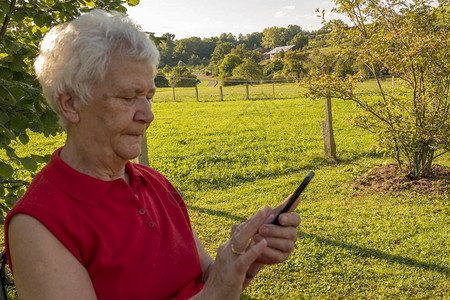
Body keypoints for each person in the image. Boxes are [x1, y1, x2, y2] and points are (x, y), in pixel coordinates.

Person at [4, 9, 301, 300]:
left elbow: (205, 279)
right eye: (128, 97)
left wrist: (246, 259)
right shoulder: (38, 225)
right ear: (70, 103)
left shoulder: (153, 183)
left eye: (148, 97)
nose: (148, 115)